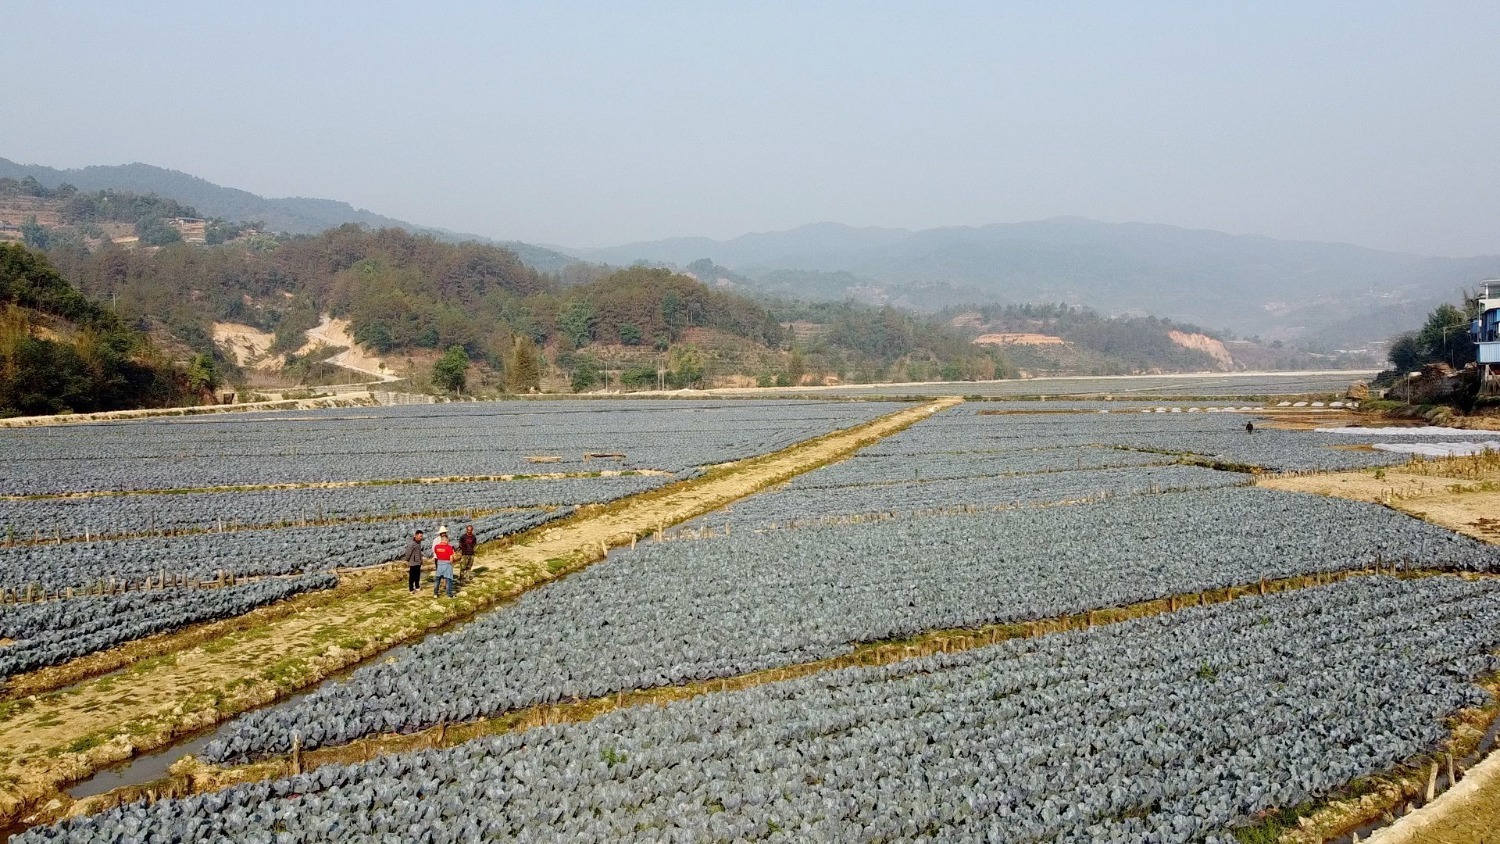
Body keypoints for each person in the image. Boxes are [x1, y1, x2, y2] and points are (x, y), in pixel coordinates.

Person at [432, 526, 457, 598]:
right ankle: (449, 594)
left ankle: (435, 593)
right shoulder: (449, 547)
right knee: (449, 579)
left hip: (439, 563)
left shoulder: (437, 546)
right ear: (446, 540)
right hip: (447, 563)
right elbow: (451, 557)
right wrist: (451, 563)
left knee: (437, 579)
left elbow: (435, 551)